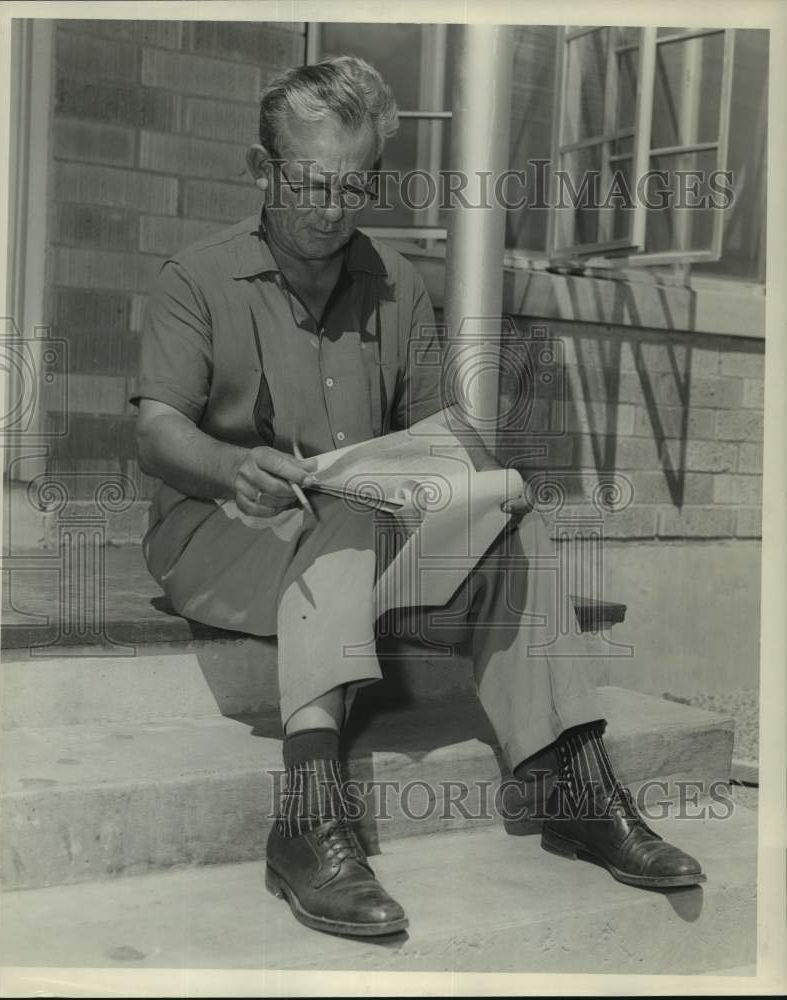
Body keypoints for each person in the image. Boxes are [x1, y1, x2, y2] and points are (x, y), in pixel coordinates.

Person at [131, 55, 705, 939]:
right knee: (342, 508)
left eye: (355, 188)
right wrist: (227, 467)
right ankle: (309, 821)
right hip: (220, 535)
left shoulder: (398, 283)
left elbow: (432, 437)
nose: (331, 210)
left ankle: (572, 783)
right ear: (260, 170)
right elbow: (158, 429)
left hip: (349, 538)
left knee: (508, 515)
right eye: (310, 186)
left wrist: (475, 469)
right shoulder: (194, 277)